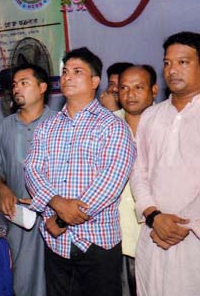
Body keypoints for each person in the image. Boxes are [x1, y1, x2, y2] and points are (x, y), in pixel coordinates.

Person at [24, 47, 136, 296]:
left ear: (95, 81)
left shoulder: (112, 126)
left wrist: (62, 218)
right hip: (56, 242)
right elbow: (33, 169)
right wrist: (55, 202)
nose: (67, 77)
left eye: (77, 72)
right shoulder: (47, 127)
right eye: (64, 72)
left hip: (98, 240)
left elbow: (111, 180)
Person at [130, 32, 200, 296]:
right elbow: (139, 169)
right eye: (168, 63)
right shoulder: (151, 115)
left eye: (183, 62)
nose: (173, 70)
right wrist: (153, 215)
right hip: (154, 232)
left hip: (192, 235)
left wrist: (183, 225)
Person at [0, 63, 55, 296]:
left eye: (24, 83)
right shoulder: (3, 128)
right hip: (20, 218)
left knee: (57, 279)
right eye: (15, 84)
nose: (16, 88)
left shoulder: (59, 123)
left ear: (42, 88)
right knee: (24, 281)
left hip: (56, 216)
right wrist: (2, 188)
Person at [115, 65, 158, 296]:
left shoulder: (167, 124)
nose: (130, 94)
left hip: (157, 234)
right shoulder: (107, 125)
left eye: (138, 87)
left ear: (154, 90)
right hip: (117, 237)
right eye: (124, 88)